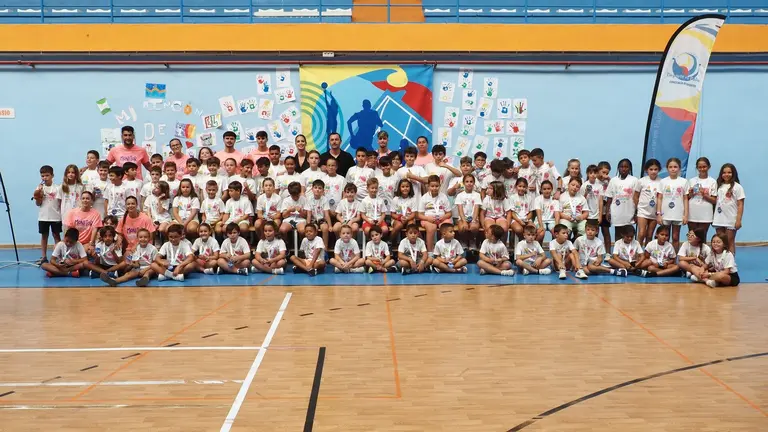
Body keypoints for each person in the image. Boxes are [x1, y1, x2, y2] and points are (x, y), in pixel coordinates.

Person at [656, 157, 688, 251]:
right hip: (665, 214)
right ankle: (663, 256)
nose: (673, 169)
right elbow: (659, 198)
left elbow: (685, 199)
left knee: (675, 237)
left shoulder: (684, 181)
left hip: (678, 214)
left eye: (675, 167)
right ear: (667, 168)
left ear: (679, 168)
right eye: (670, 167)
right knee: (664, 237)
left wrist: (685, 215)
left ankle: (674, 257)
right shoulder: (663, 181)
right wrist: (658, 214)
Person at [712, 163, 745, 255]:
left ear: (733, 173)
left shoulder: (737, 187)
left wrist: (738, 220)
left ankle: (731, 262)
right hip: (719, 218)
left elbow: (740, 204)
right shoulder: (718, 186)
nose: (726, 174)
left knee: (729, 241)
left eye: (729, 172)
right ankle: (720, 261)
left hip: (731, 219)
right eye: (724, 172)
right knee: (720, 242)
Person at [605, 158, 638, 239]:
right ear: (618, 168)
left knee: (629, 234)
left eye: (626, 167)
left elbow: (636, 198)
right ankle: (617, 247)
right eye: (621, 167)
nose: (623, 169)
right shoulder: (613, 180)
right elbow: (609, 198)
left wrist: (636, 213)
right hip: (616, 212)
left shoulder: (634, 180)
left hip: (629, 212)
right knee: (618, 234)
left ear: (630, 168)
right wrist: (607, 212)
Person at [418, 175, 452, 252]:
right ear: (428, 186)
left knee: (446, 227)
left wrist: (443, 217)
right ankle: (430, 251)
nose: (434, 188)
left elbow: (449, 213)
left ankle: (444, 251)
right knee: (431, 228)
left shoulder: (443, 196)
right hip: (428, 220)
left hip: (442, 219)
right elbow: (419, 215)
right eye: (432, 186)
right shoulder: (424, 198)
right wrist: (427, 218)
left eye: (436, 186)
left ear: (439, 186)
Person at [686, 157, 717, 238]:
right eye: (700, 167)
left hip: (706, 214)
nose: (702, 169)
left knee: (702, 237)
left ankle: (703, 247)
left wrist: (704, 195)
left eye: (704, 167)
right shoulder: (691, 181)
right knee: (692, 236)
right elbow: (687, 198)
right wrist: (691, 194)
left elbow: (714, 200)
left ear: (709, 167)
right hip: (692, 212)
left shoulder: (713, 182)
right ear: (697, 168)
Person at [634, 159, 661, 247]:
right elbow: (635, 196)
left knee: (649, 235)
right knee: (642, 233)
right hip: (642, 211)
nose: (653, 171)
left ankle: (647, 253)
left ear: (659, 170)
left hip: (654, 212)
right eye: (651, 169)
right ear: (646, 170)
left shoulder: (662, 182)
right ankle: (638, 252)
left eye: (655, 169)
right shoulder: (641, 181)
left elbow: (661, 198)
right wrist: (637, 208)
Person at [454, 174, 481, 250]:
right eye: (467, 181)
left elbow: (476, 208)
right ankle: (464, 241)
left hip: (474, 218)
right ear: (463, 183)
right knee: (463, 227)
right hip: (462, 218)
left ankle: (472, 241)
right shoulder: (460, 195)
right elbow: (460, 210)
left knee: (473, 227)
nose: (469, 183)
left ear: (474, 183)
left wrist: (473, 220)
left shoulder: (477, 195)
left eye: (471, 181)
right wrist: (464, 221)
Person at [305, 179, 331, 249]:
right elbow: (308, 215)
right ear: (312, 189)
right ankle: (313, 248)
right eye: (315, 187)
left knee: (325, 228)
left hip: (322, 220)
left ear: (323, 190)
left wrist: (330, 226)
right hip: (313, 220)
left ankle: (325, 248)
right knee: (312, 229)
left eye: (320, 188)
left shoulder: (324, 199)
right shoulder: (309, 199)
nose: (317, 190)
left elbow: (327, 214)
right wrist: (308, 224)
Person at [391, 179, 418, 243]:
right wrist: (400, 218)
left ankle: (411, 243)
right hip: (397, 219)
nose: (405, 188)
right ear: (399, 188)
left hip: (409, 219)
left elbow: (413, 214)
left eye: (407, 186)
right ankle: (390, 241)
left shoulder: (413, 199)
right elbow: (392, 214)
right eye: (403, 187)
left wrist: (407, 219)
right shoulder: (395, 199)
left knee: (411, 225)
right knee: (399, 225)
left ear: (410, 188)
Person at [533, 179, 560, 244]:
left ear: (552, 189)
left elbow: (557, 214)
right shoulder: (538, 199)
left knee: (556, 234)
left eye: (548, 189)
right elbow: (538, 213)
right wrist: (541, 226)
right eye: (544, 189)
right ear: (541, 190)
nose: (546, 191)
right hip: (541, 221)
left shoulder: (555, 200)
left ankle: (553, 248)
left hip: (551, 221)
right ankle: (538, 248)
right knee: (541, 233)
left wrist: (556, 226)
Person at [60, 164, 84, 231]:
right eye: (68, 172)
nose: (70, 174)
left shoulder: (81, 187)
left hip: (78, 214)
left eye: (73, 172)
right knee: (66, 233)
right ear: (66, 174)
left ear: (76, 174)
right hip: (66, 214)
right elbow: (59, 202)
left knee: (77, 233)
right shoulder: (62, 187)